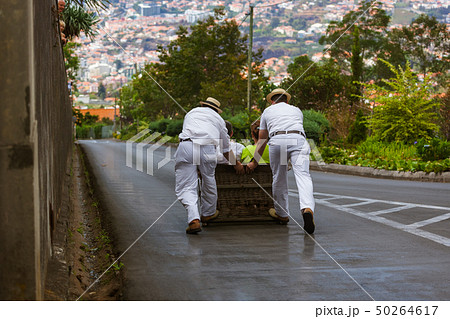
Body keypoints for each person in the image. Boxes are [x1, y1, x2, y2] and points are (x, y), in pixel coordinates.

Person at [246, 88, 315, 234]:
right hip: (298, 140)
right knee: (303, 175)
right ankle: (307, 208)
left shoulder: (267, 112)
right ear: (287, 100)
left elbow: (262, 140)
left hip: (277, 141)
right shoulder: (297, 110)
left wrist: (254, 162)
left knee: (279, 176)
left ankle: (282, 214)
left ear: (272, 101)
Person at [175, 97, 244, 234]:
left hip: (186, 145)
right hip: (208, 149)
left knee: (186, 186)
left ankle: (194, 219)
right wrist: (236, 164)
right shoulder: (219, 120)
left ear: (203, 105)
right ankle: (207, 213)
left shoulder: (192, 112)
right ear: (217, 110)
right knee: (209, 179)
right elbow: (225, 149)